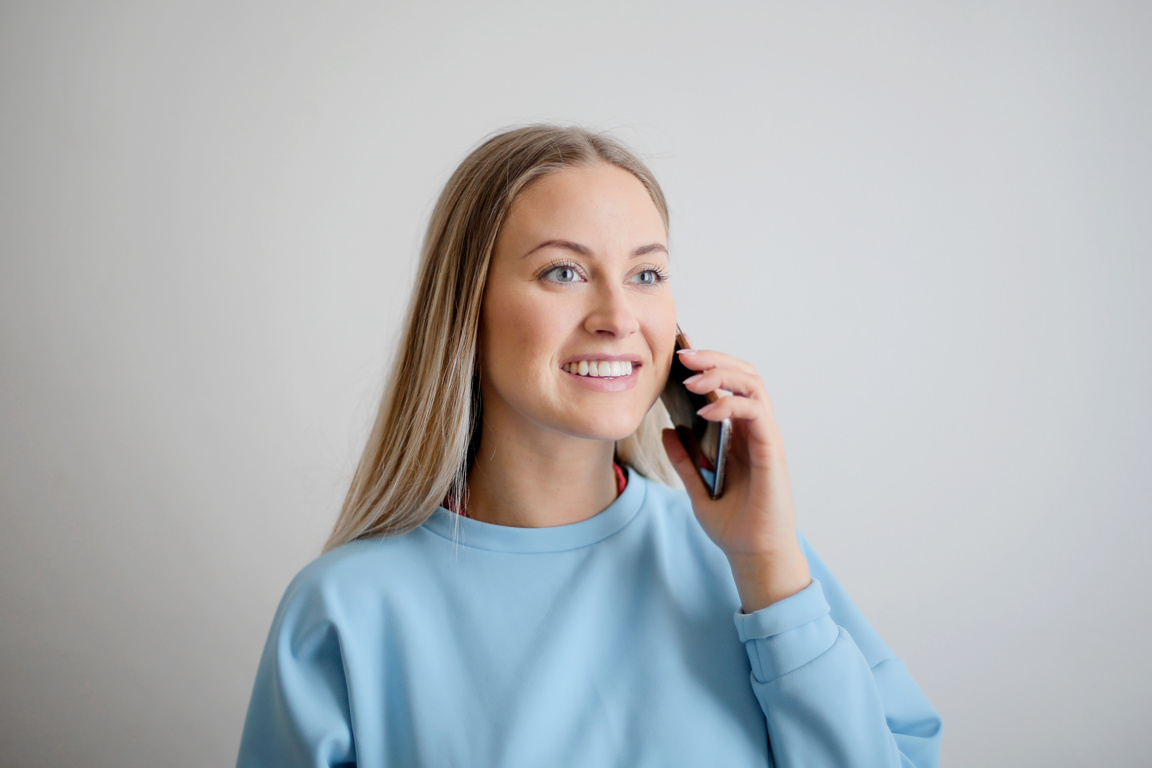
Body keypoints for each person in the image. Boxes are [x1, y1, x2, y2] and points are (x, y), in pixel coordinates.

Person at [236, 125, 943, 767]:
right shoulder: (342, 613)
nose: (618, 318)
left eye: (646, 275)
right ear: (465, 309)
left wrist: (767, 572)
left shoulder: (757, 565)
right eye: (563, 272)